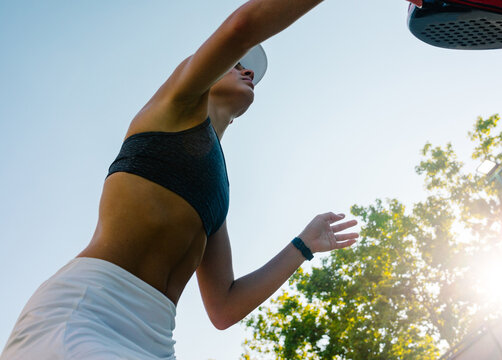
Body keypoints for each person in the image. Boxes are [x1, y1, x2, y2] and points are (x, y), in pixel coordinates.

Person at [0, 0, 359, 359]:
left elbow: (224, 306)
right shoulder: (175, 104)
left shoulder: (218, 185)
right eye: (236, 64)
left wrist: (303, 245)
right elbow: (241, 28)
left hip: (156, 340)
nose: (248, 72)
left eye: (249, 71)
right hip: (86, 315)